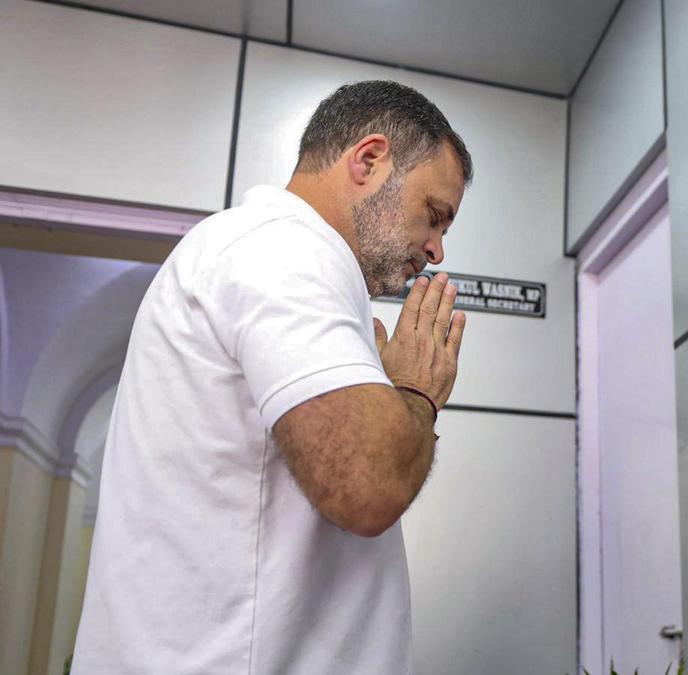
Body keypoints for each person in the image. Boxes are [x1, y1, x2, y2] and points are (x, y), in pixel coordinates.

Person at [73, 80, 473, 674]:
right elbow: (367, 486)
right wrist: (416, 391)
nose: (436, 249)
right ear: (369, 160)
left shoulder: (268, 251)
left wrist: (389, 403)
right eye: (434, 216)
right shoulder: (286, 251)